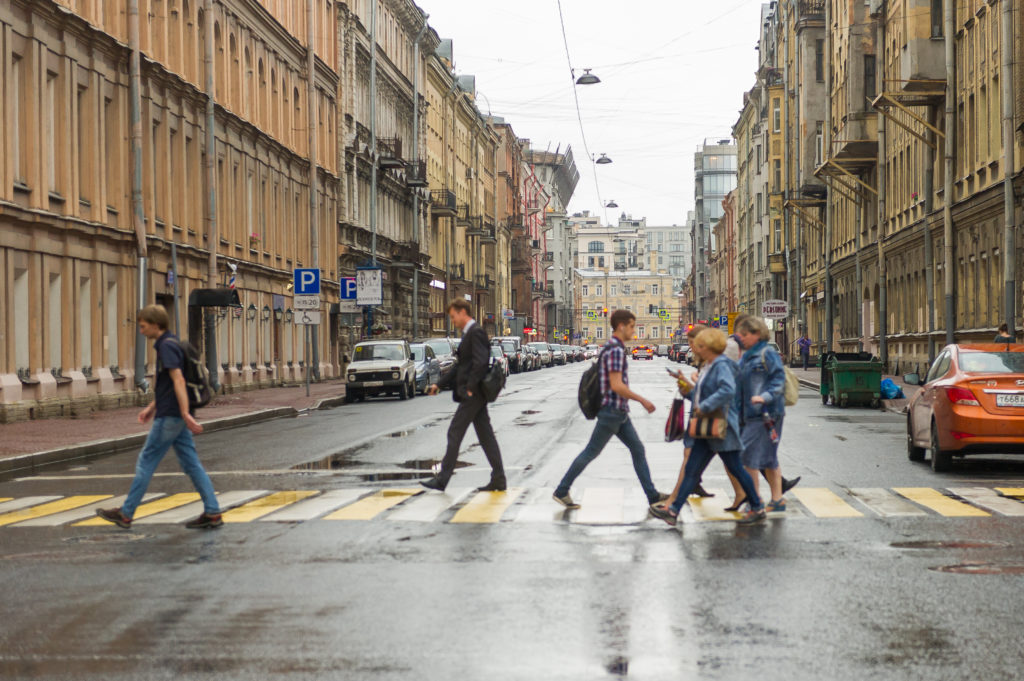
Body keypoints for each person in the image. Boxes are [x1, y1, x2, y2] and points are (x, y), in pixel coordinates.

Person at [95, 305, 222, 529]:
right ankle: (212, 512)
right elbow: (169, 386)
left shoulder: (166, 347)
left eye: (143, 326)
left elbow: (179, 381)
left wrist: (183, 413)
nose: (141, 331)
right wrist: (152, 407)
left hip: (171, 416)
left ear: (156, 325)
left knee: (146, 461)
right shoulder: (171, 344)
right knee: (191, 464)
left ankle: (126, 513)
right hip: (173, 413)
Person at [553, 309, 667, 510]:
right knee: (591, 452)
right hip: (612, 411)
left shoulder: (611, 348)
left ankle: (652, 495)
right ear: (621, 326)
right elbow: (616, 385)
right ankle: (562, 490)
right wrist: (642, 400)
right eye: (632, 326)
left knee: (637, 449)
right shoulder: (615, 350)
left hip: (618, 412)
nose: (634, 330)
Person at [651, 328, 766, 525]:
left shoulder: (721, 365)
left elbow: (727, 390)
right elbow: (702, 394)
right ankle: (673, 510)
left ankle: (756, 506)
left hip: (721, 427)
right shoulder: (710, 365)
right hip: (707, 427)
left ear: (710, 347)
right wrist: (687, 390)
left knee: (736, 468)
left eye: (700, 346)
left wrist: (704, 406)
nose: (696, 349)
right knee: (692, 470)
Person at [421, 298, 506, 492]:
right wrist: (439, 385)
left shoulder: (475, 332)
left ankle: (443, 479)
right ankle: (499, 478)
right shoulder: (471, 333)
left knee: (455, 432)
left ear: (462, 312)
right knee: (486, 436)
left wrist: (470, 386)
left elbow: (480, 362)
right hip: (475, 393)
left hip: (473, 394)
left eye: (453, 317)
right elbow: (461, 365)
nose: (453, 321)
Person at [735, 316, 789, 512]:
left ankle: (754, 501)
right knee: (768, 458)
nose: (741, 338)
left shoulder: (768, 353)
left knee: (747, 457)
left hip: (768, 413)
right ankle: (777, 500)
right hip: (750, 414)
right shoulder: (747, 355)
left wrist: (764, 397)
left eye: (745, 334)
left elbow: (779, 380)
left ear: (757, 334)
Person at [663, 324, 714, 507]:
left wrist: (693, 384)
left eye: (692, 343)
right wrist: (685, 387)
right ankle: (678, 499)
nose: (690, 347)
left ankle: (673, 502)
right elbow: (699, 394)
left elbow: (720, 393)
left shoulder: (715, 364)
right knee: (732, 464)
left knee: (690, 460)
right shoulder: (703, 363)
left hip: (710, 420)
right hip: (703, 420)